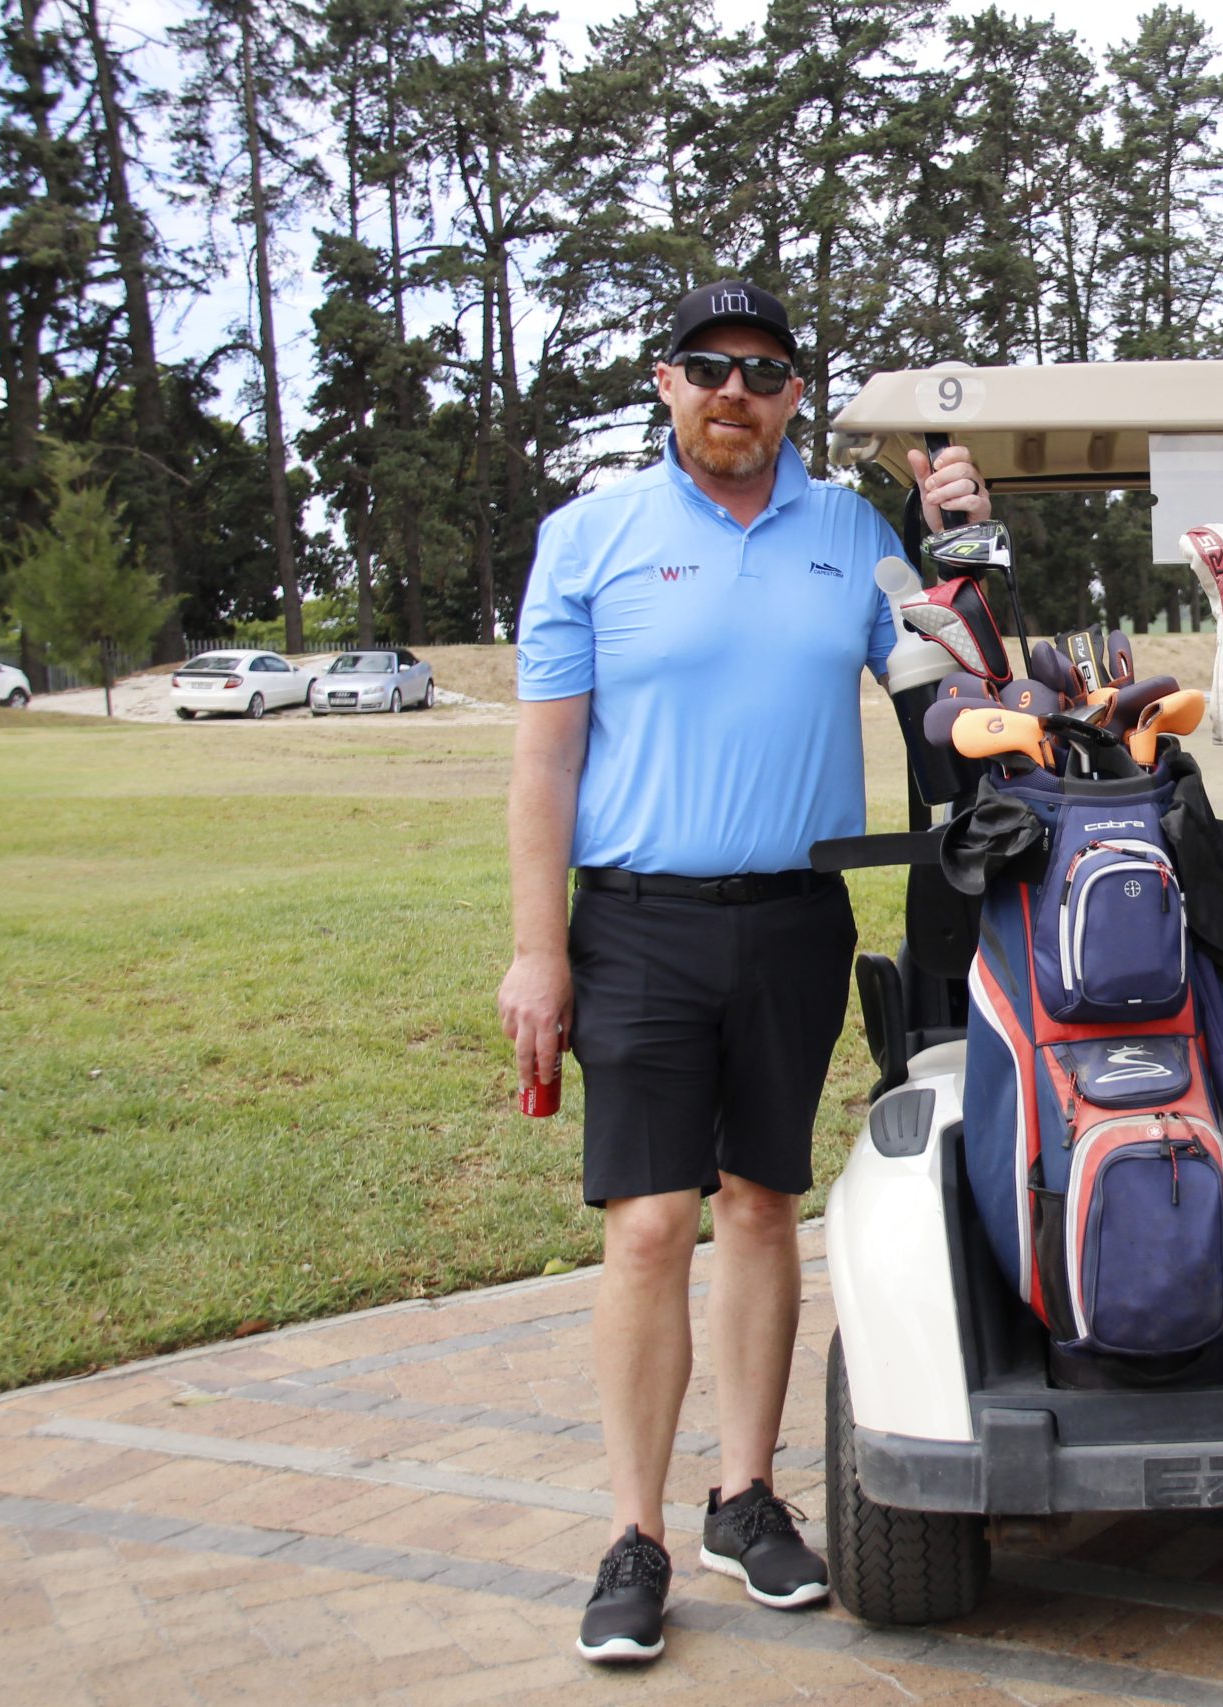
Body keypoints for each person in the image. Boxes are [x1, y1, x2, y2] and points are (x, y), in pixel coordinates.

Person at [496, 279, 989, 1664]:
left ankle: (747, 1496)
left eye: (764, 372)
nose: (735, 391)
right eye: (709, 367)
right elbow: (544, 760)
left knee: (763, 1203)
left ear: (792, 397)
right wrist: (537, 948)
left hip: (793, 917)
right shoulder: (590, 537)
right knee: (653, 1223)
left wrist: (951, 540)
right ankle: (634, 1533)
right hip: (636, 922)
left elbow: (951, 685)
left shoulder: (850, 532)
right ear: (667, 382)